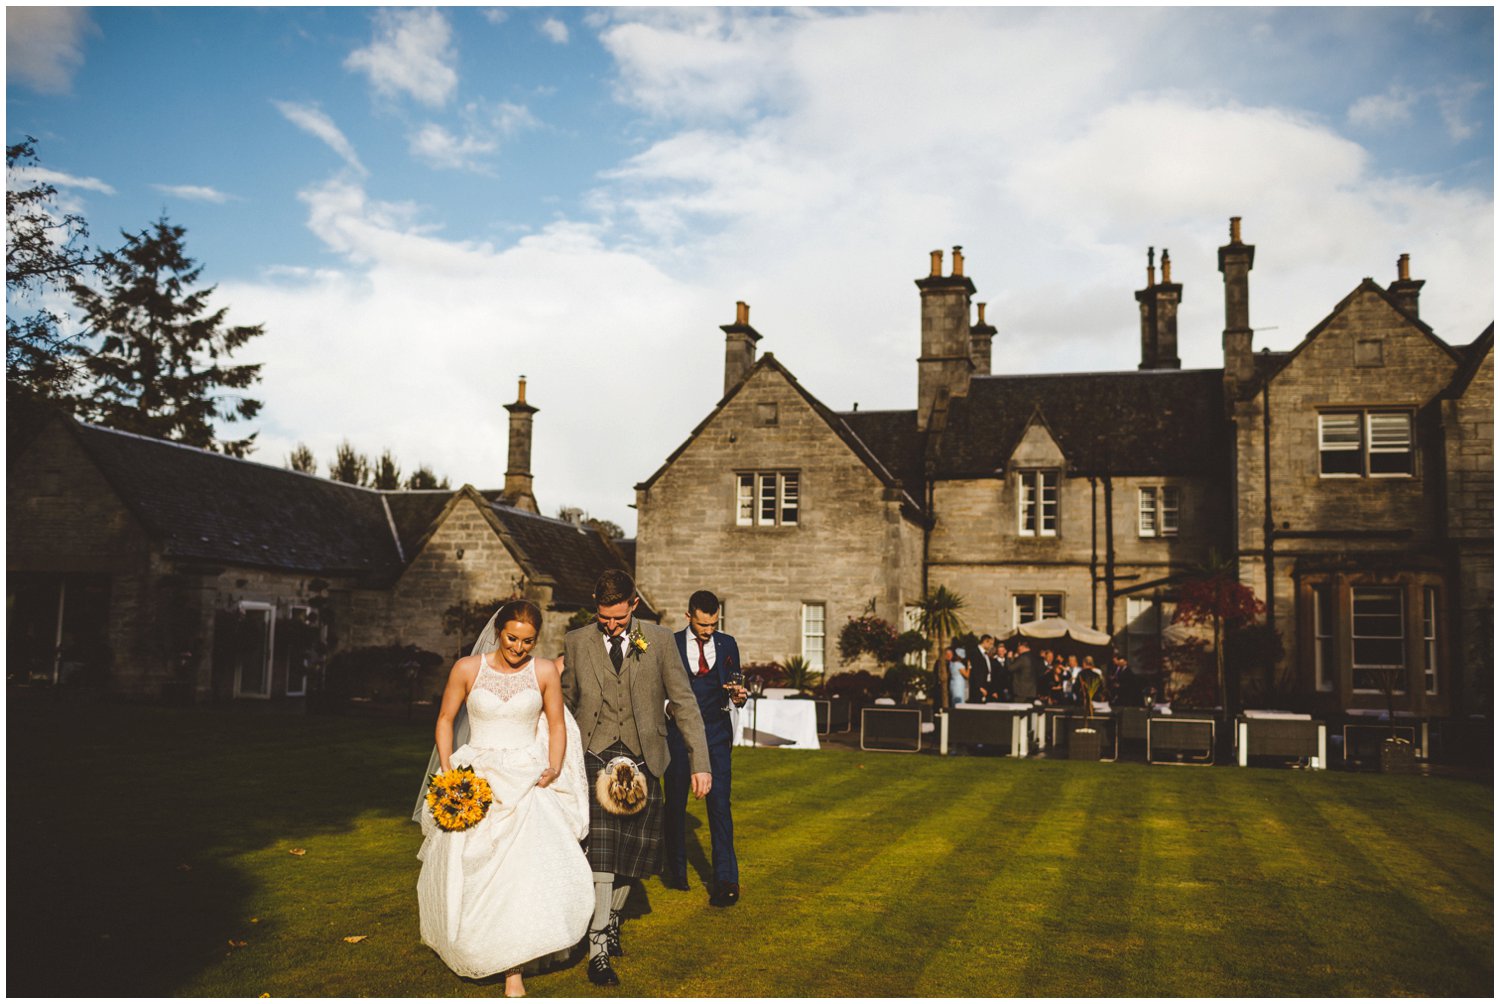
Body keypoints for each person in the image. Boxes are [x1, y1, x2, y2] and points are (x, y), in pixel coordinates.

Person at [414, 600, 593, 998]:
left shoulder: (544, 671)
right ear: (498, 631)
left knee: (520, 874)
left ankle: (514, 968)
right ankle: (475, 942)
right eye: (512, 638)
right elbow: (445, 720)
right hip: (475, 775)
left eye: (528, 641)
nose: (518, 647)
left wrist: (553, 764)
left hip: (527, 780)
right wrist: (447, 772)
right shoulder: (467, 668)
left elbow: (558, 723)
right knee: (473, 869)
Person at [562, 570, 711, 988]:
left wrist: (701, 762)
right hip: (594, 754)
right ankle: (598, 951)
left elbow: (683, 702)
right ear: (595, 602)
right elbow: (567, 701)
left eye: (618, 618)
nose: (610, 625)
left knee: (634, 855)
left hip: (645, 758)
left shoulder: (660, 641)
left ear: (634, 604)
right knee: (604, 854)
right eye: (602, 617)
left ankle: (610, 919)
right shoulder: (576, 641)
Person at [663, 590, 748, 907]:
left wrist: (739, 696)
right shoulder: (669, 644)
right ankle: (677, 871)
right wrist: (669, 709)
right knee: (674, 805)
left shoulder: (728, 645)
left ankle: (727, 881)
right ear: (689, 617)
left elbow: (735, 685)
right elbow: (657, 689)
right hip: (679, 735)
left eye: (713, 624)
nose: (708, 630)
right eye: (702, 625)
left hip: (715, 735)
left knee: (721, 807)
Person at [970, 635, 995, 703]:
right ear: (985, 642)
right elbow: (975, 672)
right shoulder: (975, 653)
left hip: (987, 683)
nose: (991, 646)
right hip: (979, 686)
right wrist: (980, 687)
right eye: (990, 644)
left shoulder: (986, 654)